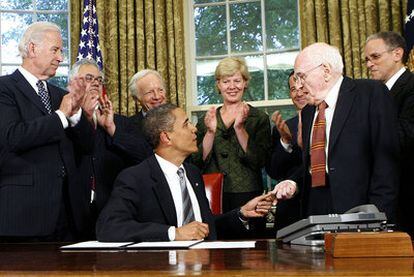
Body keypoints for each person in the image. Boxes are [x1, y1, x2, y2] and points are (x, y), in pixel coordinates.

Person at [96, 104, 276, 242]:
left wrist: (241, 213)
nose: (195, 129)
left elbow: (205, 227)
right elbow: (108, 227)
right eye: (186, 124)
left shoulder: (192, 173)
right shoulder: (135, 178)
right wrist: (174, 233)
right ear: (166, 137)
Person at [273, 42, 399, 222]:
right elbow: (317, 162)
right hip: (315, 208)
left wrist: (378, 216)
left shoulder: (370, 94)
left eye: (301, 76)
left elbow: (386, 162)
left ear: (325, 70)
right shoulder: (309, 111)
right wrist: (294, 181)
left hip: (360, 208)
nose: (298, 85)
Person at [0, 22, 95, 241]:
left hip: (69, 216)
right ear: (32, 49)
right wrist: (61, 116)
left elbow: (88, 147)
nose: (61, 58)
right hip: (23, 215)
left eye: (61, 51)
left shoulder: (60, 94)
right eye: (55, 50)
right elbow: (12, 137)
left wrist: (77, 115)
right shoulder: (5, 88)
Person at [73, 59, 151, 238]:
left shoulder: (121, 122)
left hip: (112, 212)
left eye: (98, 80)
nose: (95, 83)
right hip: (74, 213)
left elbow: (145, 158)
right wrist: (84, 116)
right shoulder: (64, 119)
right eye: (88, 78)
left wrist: (111, 129)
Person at [192, 57, 271, 213]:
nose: (232, 87)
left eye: (237, 81)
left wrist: (240, 129)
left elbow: (260, 161)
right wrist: (210, 132)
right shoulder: (205, 121)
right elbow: (195, 162)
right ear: (218, 85)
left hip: (248, 194)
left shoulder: (259, 118)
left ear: (245, 83)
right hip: (211, 193)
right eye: (226, 81)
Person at [364, 31, 414, 236]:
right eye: (366, 59)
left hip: (407, 194)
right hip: (382, 195)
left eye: (375, 57)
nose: (369, 64)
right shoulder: (375, 93)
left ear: (397, 54)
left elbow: (406, 136)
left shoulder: (411, 86)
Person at [265, 71, 307, 229]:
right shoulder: (284, 127)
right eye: (293, 89)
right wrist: (286, 142)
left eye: (302, 87)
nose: (298, 93)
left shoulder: (329, 120)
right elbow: (274, 171)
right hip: (291, 208)